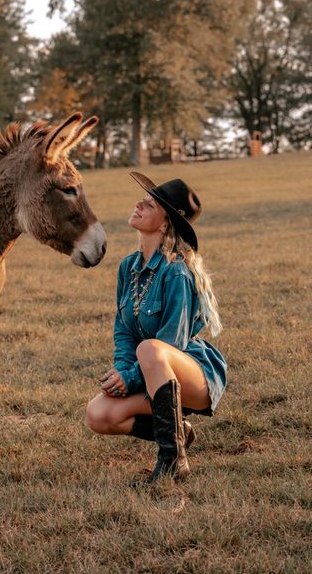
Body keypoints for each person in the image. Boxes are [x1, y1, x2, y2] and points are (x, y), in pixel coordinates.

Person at [85, 172, 227, 483]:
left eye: (149, 204)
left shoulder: (176, 273)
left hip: (192, 374)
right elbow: (123, 329)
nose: (138, 204)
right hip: (151, 370)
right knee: (98, 414)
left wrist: (131, 376)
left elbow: (171, 344)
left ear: (164, 224)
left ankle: (173, 462)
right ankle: (179, 432)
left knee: (150, 348)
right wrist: (123, 372)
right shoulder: (128, 267)